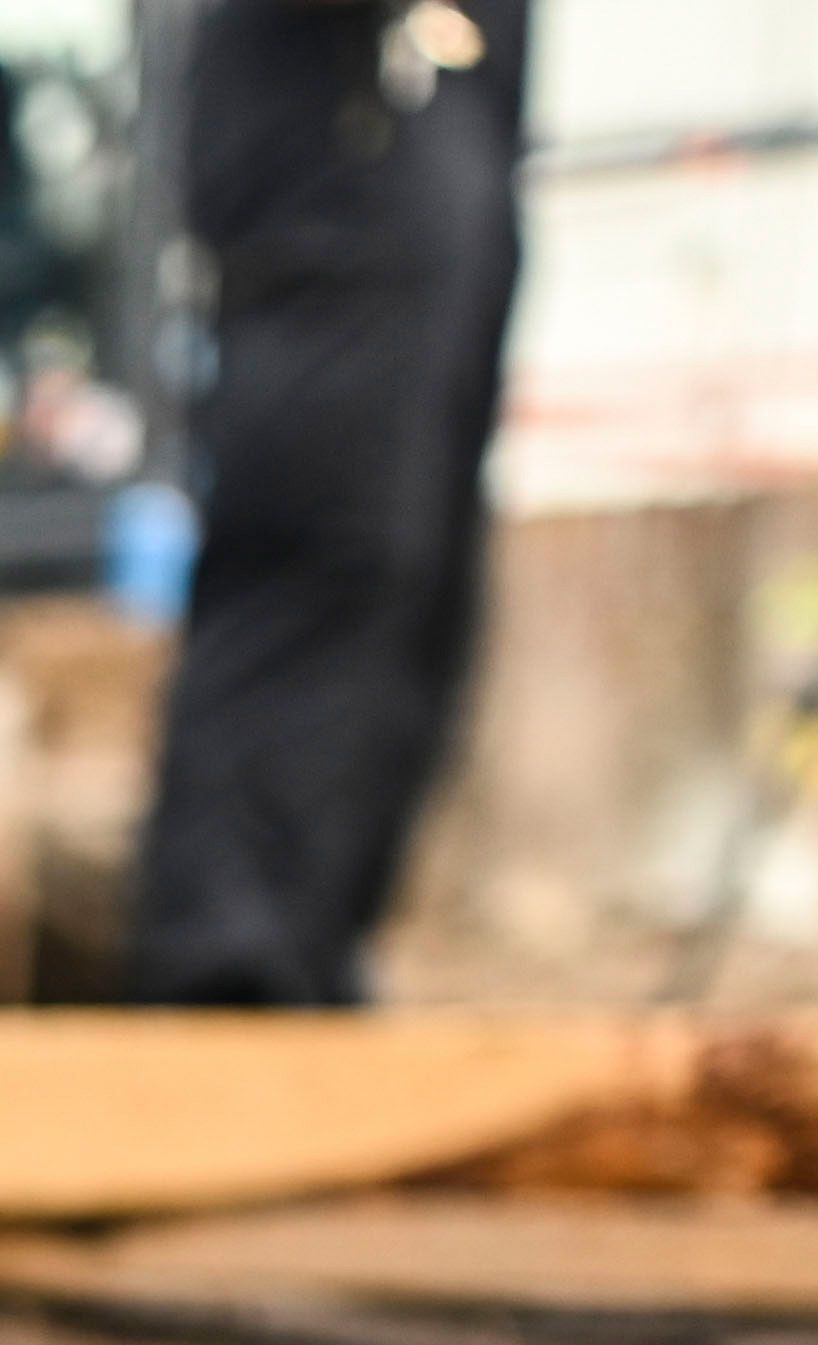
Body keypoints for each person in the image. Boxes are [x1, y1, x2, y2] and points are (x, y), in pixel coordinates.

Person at [121, 0, 538, 1005]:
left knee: (417, 585)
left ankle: (310, 941)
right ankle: (225, 958)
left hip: (435, 135)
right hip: (333, 141)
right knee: (321, 551)